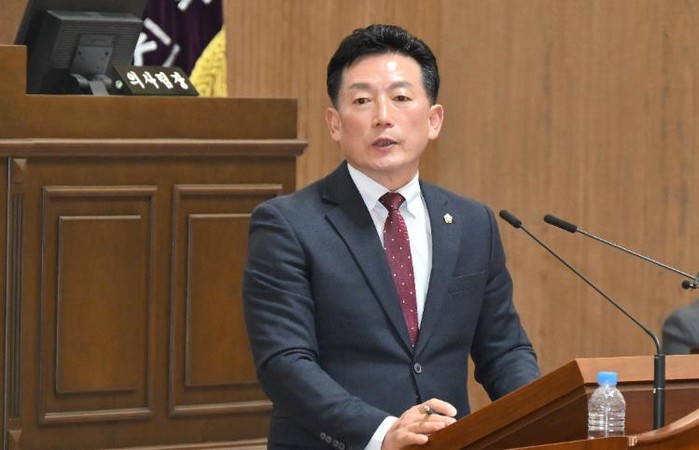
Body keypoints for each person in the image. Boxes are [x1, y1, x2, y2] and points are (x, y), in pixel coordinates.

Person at [242, 24, 540, 450]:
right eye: (362, 100)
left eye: (401, 98)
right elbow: (285, 363)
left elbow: (504, 350)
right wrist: (382, 433)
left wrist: (540, 415)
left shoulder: (473, 223)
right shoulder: (287, 225)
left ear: (433, 120)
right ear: (335, 124)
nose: (383, 116)